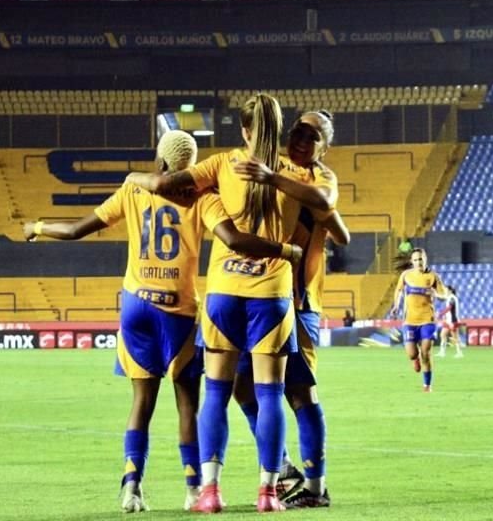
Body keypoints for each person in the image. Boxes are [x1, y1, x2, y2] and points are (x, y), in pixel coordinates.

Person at [23, 130, 301, 514]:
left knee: (141, 402)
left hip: (137, 306)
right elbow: (233, 238)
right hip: (180, 312)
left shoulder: (134, 191)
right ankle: (194, 490)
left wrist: (36, 228)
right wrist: (285, 249)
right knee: (188, 404)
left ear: (160, 162)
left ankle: (132, 486)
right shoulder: (204, 197)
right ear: (192, 166)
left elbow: (73, 231)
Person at [127, 92, 326, 513]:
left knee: (216, 393)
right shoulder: (295, 173)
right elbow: (326, 207)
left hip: (222, 294)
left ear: (245, 129)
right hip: (271, 294)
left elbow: (166, 185)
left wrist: (135, 179)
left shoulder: (221, 165)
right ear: (278, 129)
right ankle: (268, 494)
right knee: (270, 394)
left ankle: (211, 492)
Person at [229, 110, 349, 508]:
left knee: (300, 394)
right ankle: (283, 466)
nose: (299, 139)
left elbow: (327, 205)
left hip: (297, 302)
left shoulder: (317, 179)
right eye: (296, 131)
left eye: (310, 135)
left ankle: (315, 488)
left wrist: (273, 179)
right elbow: (341, 233)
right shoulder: (277, 169)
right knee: (240, 385)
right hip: (258, 296)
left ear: (324, 147)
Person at [390, 248, 450, 392]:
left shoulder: (432, 276)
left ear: (425, 259)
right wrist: (396, 306)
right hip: (410, 321)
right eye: (416, 260)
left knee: (426, 352)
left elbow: (445, 294)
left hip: (427, 320)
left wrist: (435, 293)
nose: (419, 262)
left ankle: (427, 385)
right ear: (412, 262)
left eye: (421, 259)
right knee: (412, 353)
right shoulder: (406, 275)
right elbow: (398, 291)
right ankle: (414, 359)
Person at [436, 285, 463, 358]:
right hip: (448, 320)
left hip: (453, 320)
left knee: (455, 336)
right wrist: (434, 294)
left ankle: (459, 352)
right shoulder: (449, 297)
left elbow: (450, 307)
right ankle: (442, 352)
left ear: (450, 291)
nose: (445, 291)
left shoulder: (452, 298)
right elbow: (442, 297)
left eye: (446, 290)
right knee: (442, 334)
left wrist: (441, 313)